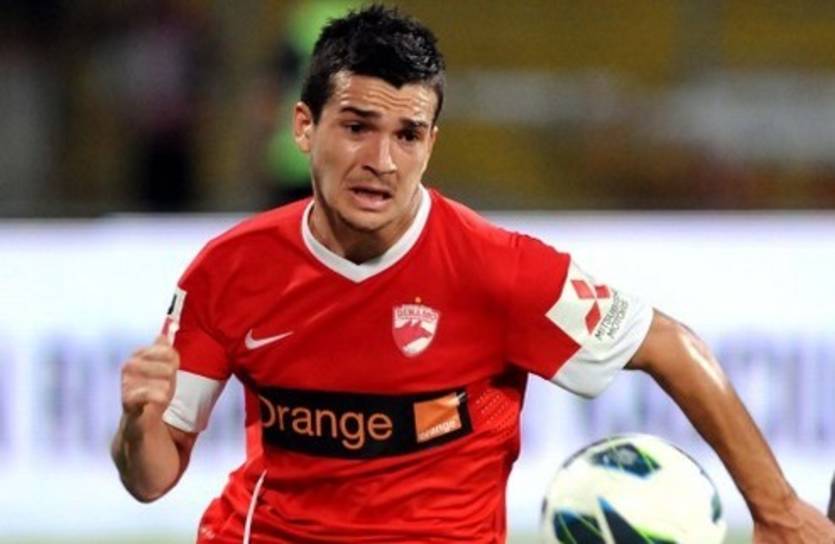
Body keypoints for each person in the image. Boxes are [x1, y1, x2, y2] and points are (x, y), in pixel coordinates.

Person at [111, 6, 835, 543]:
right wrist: (137, 425)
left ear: (431, 143)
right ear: (304, 126)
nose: (381, 162)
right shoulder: (230, 270)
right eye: (357, 127)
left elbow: (669, 346)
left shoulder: (498, 270)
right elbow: (151, 479)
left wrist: (777, 509)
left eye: (407, 135)